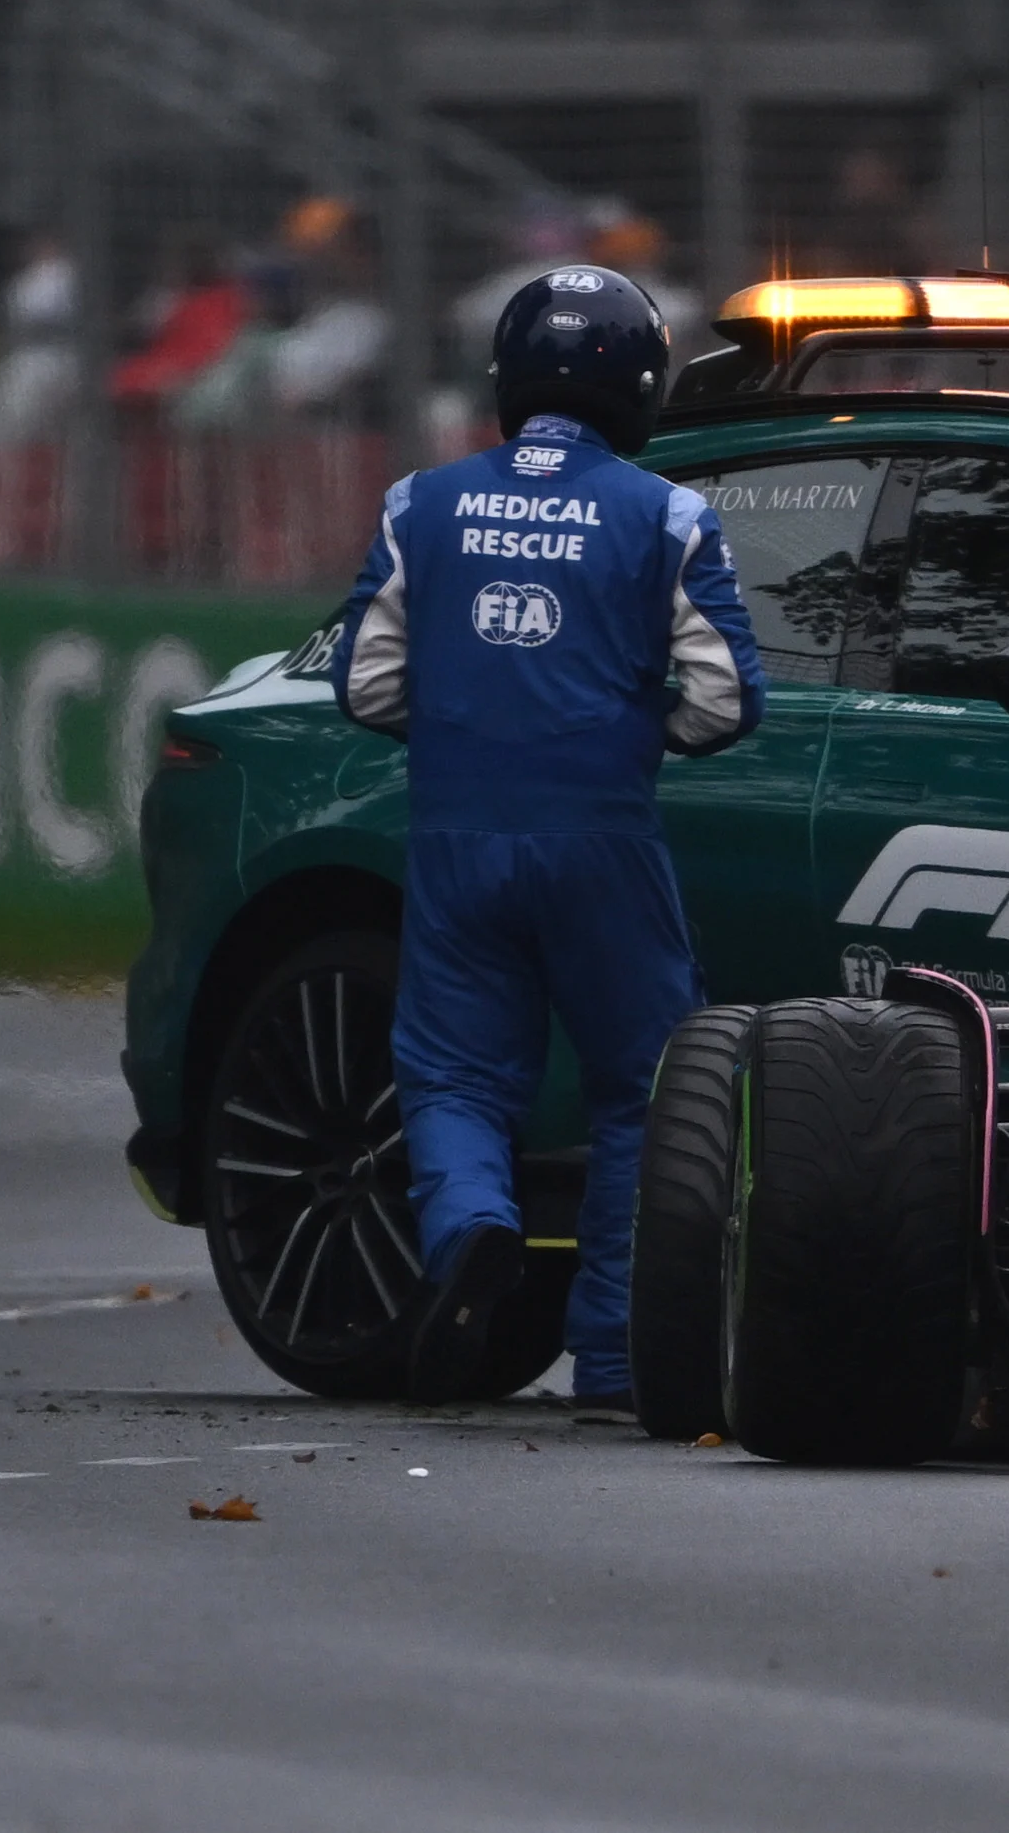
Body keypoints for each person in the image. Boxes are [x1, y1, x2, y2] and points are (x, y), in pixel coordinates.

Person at [329, 265, 765, 1407]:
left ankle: (472, 1225)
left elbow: (365, 685)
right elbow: (726, 702)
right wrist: (629, 731)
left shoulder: (419, 501)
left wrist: (474, 722)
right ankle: (613, 1352)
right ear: (642, 386)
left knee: (454, 1073)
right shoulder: (667, 513)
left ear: (508, 379)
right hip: (603, 836)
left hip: (458, 831)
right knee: (647, 1086)